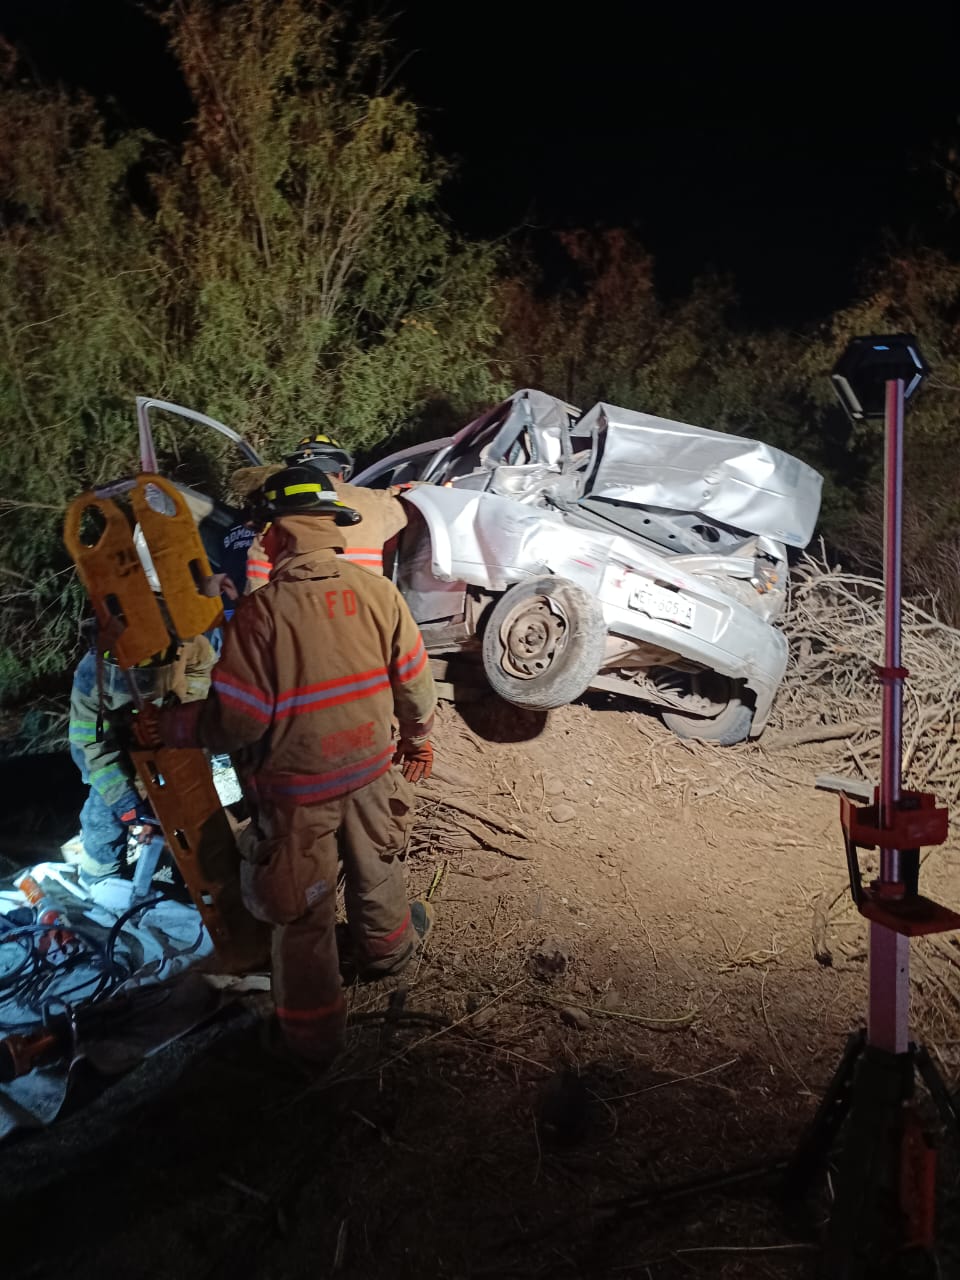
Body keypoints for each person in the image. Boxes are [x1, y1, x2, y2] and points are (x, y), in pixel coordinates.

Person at [134, 467, 438, 1066]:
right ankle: (389, 952)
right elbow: (415, 684)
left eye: (265, 530)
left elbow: (239, 723)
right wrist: (419, 738)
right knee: (378, 865)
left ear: (278, 535)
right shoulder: (378, 593)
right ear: (330, 530)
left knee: (303, 911)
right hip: (374, 771)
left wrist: (171, 726)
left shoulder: (260, 615)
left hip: (300, 794)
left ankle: (313, 1041)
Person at [68, 625, 217, 885]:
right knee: (102, 816)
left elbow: (203, 668)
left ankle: (195, 874)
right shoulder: (91, 675)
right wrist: (127, 804)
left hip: (174, 739)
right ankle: (100, 878)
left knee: (192, 809)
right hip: (119, 748)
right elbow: (89, 747)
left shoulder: (189, 644)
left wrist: (181, 712)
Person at [234, 431, 409, 589]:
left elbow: (258, 586)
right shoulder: (375, 501)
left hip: (303, 612)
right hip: (364, 611)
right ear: (341, 472)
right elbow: (418, 499)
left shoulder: (276, 511)